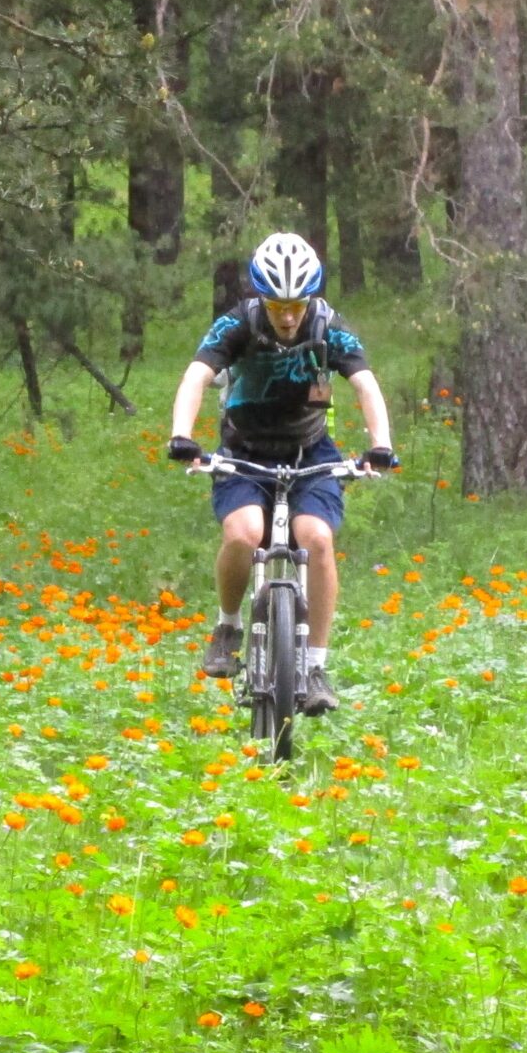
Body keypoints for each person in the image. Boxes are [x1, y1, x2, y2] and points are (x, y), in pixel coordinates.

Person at [168, 230, 397, 715]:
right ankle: (228, 625)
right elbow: (197, 375)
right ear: (260, 298)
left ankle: (314, 666)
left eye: (297, 304)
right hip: (245, 450)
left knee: (316, 539)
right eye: (277, 305)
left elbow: (365, 384)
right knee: (244, 533)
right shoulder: (238, 324)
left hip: (309, 452)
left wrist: (381, 444)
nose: (289, 316)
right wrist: (182, 435)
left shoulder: (329, 325)